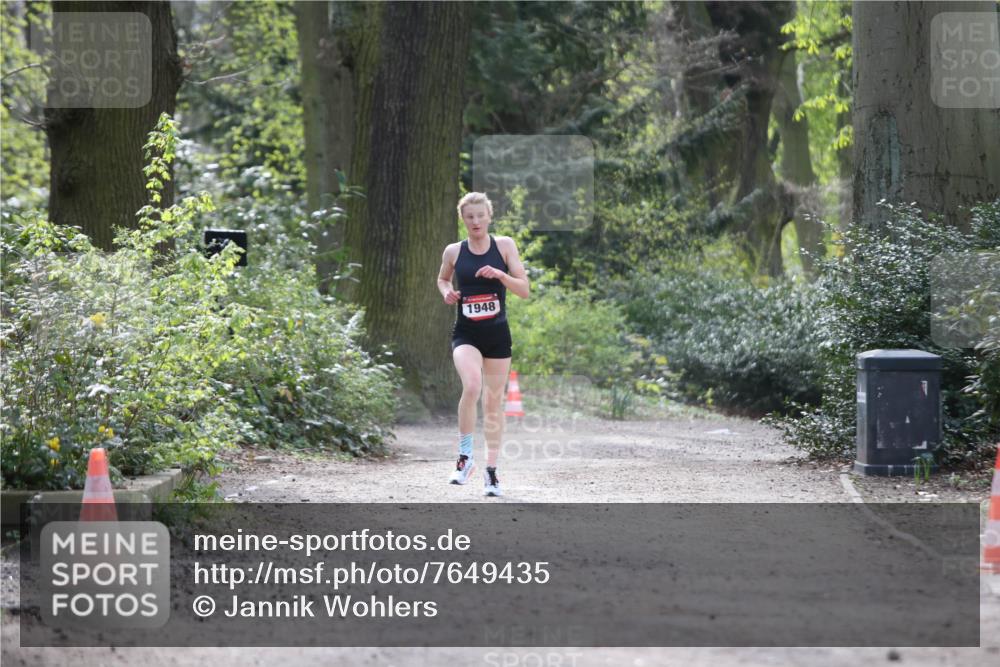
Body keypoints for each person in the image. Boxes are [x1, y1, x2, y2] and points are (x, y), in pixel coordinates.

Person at [436, 192, 529, 497]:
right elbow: (443, 279)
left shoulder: (504, 246)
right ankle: (465, 458)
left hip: (498, 336)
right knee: (472, 385)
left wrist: (501, 275)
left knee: (492, 402)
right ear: (462, 219)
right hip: (466, 334)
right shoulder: (454, 251)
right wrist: (447, 292)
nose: (475, 221)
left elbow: (524, 289)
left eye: (480, 215)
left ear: (489, 216)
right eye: (469, 217)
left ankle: (491, 471)